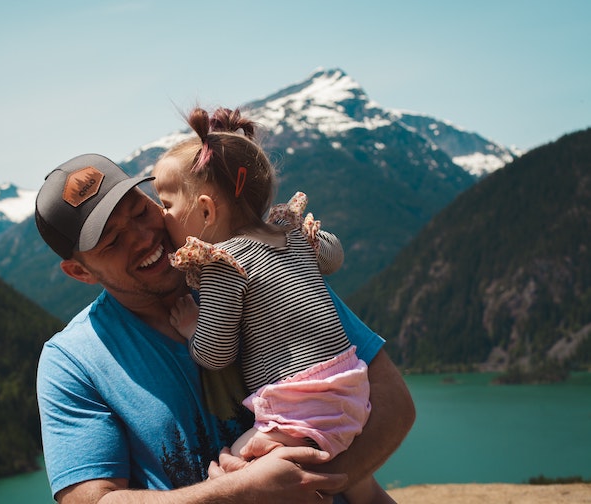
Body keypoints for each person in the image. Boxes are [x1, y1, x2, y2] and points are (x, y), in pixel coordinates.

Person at [34, 152, 415, 503]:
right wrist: (242, 493)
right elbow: (93, 500)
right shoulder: (71, 362)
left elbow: (393, 401)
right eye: (113, 240)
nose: (143, 237)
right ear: (79, 271)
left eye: (141, 211)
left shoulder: (255, 260)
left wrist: (312, 487)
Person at [151, 106, 392, 503]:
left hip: (301, 407)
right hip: (350, 386)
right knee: (358, 481)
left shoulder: (223, 263)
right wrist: (314, 239)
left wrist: (193, 328)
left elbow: (216, 354)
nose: (162, 216)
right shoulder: (290, 234)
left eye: (166, 204)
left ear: (207, 210)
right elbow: (333, 258)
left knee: (236, 467)